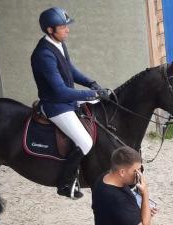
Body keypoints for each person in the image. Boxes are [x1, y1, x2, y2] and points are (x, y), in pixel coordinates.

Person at [31, 7, 109, 199]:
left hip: (67, 98)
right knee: (85, 141)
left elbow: (70, 70)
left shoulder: (58, 44)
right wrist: (91, 94)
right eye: (63, 27)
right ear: (50, 30)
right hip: (56, 104)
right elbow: (60, 90)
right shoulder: (44, 55)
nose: (68, 30)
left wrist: (91, 83)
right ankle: (65, 183)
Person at [92, 146, 158, 225]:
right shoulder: (119, 201)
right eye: (136, 171)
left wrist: (145, 208)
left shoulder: (104, 177)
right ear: (122, 172)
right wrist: (145, 193)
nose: (139, 175)